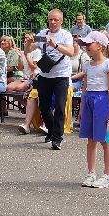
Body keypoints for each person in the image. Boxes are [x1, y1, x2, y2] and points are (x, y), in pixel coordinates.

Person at [74, 31, 109, 187]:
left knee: (106, 140)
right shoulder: (87, 65)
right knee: (91, 140)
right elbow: (85, 87)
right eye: (85, 44)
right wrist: (81, 108)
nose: (86, 46)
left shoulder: (108, 64)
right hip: (89, 101)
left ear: (100, 45)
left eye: (89, 44)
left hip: (103, 101)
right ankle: (91, 173)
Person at [34, 10, 77, 151]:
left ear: (61, 21)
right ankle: (51, 131)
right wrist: (28, 43)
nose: (52, 22)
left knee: (59, 106)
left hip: (61, 75)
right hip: (45, 74)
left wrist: (55, 45)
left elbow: (71, 53)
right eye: (51, 19)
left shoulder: (66, 35)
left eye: (56, 20)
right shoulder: (42, 33)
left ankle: (57, 138)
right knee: (44, 107)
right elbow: (29, 49)